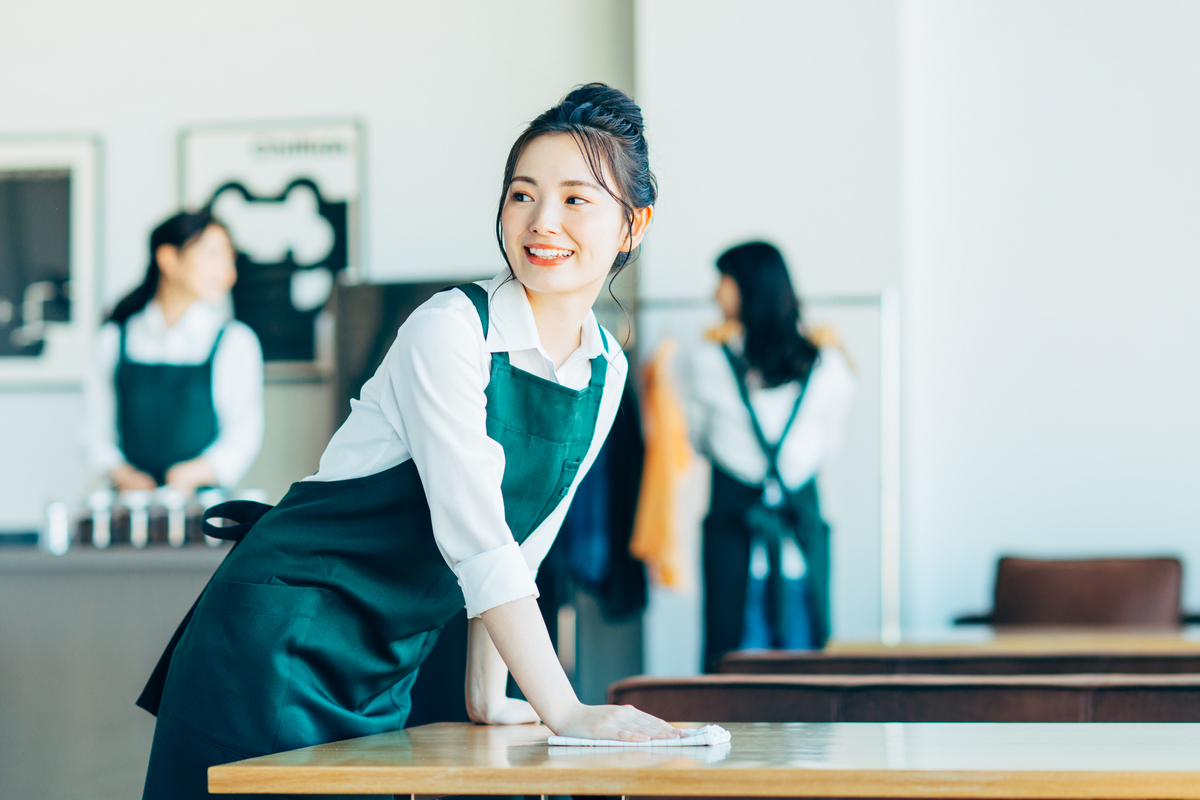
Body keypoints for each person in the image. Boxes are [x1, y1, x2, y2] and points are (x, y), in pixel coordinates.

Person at [138, 83, 682, 800]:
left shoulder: (606, 369)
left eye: (576, 199)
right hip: (279, 644)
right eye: (522, 194)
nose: (541, 220)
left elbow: (522, 549)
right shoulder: (449, 329)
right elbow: (477, 538)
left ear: (633, 224)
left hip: (384, 663)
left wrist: (487, 698)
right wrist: (567, 710)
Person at [686, 242, 854, 672]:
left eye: (723, 282)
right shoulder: (829, 366)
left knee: (735, 685)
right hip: (801, 545)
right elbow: (829, 447)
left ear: (747, 289)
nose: (715, 295)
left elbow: (698, 441)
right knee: (805, 685)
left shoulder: (706, 363)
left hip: (733, 552)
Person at [82, 210, 264, 496]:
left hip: (203, 509)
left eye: (230, 259)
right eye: (213, 255)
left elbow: (243, 434)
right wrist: (121, 473)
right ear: (169, 259)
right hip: (128, 506)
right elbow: (94, 430)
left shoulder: (235, 342)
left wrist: (195, 473)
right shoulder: (113, 340)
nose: (228, 274)